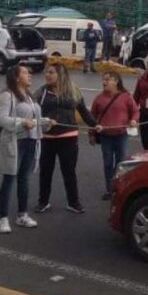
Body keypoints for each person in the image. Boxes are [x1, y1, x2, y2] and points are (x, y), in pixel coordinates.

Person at [35, 64, 97, 214]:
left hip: (68, 137)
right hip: (47, 137)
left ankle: (73, 202)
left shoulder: (73, 90)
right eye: (46, 72)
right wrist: (43, 121)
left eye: (51, 72)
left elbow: (83, 111)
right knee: (45, 171)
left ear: (61, 74)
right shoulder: (41, 92)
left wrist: (95, 125)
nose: (47, 75)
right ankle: (43, 202)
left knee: (69, 171)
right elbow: (33, 114)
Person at [0, 65, 48, 234]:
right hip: (14, 142)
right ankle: (3, 218)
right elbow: (1, 119)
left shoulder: (30, 97)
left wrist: (46, 121)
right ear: (16, 77)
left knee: (24, 179)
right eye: (26, 73)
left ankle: (22, 215)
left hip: (31, 140)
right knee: (9, 179)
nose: (30, 75)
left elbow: (34, 119)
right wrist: (21, 122)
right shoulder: (7, 95)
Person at [90, 70, 139, 200]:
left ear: (116, 81)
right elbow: (92, 118)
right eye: (103, 80)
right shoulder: (99, 99)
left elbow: (135, 112)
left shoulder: (126, 96)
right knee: (107, 164)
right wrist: (92, 134)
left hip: (121, 136)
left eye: (107, 79)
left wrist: (134, 120)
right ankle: (109, 189)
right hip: (106, 137)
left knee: (121, 164)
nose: (104, 82)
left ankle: (120, 189)